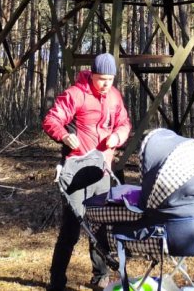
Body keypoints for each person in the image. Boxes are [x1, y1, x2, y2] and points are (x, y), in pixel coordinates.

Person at [43, 52, 132, 291]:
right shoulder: (76, 94)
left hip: (102, 172)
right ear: (92, 74)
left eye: (110, 79)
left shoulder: (114, 97)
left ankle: (100, 277)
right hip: (77, 173)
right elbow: (51, 119)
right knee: (71, 230)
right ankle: (57, 281)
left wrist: (118, 137)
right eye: (101, 78)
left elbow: (124, 123)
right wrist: (64, 135)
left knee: (101, 228)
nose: (105, 84)